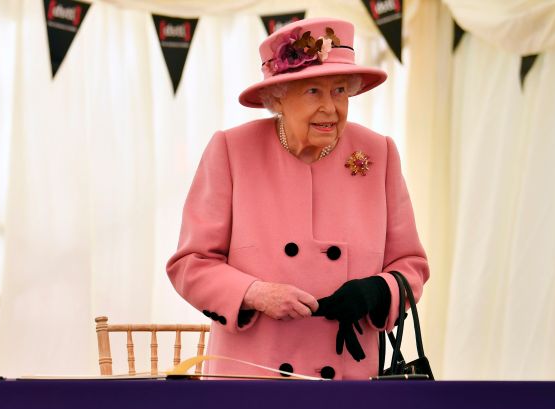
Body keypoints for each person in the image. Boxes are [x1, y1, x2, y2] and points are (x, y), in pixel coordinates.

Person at [166, 17, 429, 380]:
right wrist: (254, 293)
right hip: (251, 377)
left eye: (339, 91)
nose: (331, 108)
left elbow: (410, 264)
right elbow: (190, 264)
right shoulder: (232, 150)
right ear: (278, 98)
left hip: (347, 382)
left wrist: (378, 291)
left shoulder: (377, 153)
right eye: (313, 92)